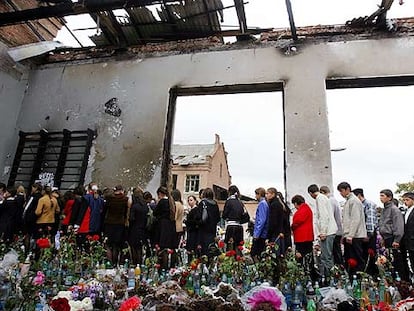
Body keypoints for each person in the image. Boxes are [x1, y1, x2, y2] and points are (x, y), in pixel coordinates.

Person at [308, 184, 337, 278]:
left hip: (327, 232)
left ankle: (330, 278)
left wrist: (323, 232)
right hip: (330, 230)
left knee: (326, 257)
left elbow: (324, 216)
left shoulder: (320, 199)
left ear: (311, 193)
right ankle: (331, 277)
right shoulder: (323, 198)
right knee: (327, 256)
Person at [337, 182, 367, 274]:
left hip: (355, 236)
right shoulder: (348, 201)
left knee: (357, 259)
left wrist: (350, 235)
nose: (341, 194)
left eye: (341, 191)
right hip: (350, 235)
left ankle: (360, 278)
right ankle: (353, 278)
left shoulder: (354, 201)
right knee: (350, 259)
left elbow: (355, 219)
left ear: (347, 189)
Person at [378, 189, 407, 279]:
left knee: (397, 262)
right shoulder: (384, 210)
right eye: (380, 195)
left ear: (389, 197)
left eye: (383, 196)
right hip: (386, 238)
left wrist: (397, 240)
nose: (380, 198)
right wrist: (382, 238)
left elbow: (398, 225)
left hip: (393, 238)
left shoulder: (394, 210)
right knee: (389, 262)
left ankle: (402, 282)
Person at [352, 188, 378, 276]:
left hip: (368, 234)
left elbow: (370, 220)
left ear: (359, 195)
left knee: (370, 256)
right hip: (363, 233)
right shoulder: (360, 205)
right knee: (364, 255)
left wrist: (368, 234)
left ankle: (372, 275)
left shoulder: (368, 204)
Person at [291, 194, 316, 280]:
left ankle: (305, 276)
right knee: (307, 257)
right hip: (306, 237)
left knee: (302, 257)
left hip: (302, 238)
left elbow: (298, 220)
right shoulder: (307, 208)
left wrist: (292, 226)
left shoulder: (303, 209)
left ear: (296, 203)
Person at [103, 185, 129, 266]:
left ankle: (109, 263)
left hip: (109, 223)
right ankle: (116, 263)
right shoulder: (125, 200)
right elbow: (126, 213)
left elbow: (104, 212)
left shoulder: (109, 199)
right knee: (116, 245)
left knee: (108, 244)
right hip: (120, 224)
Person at [153, 186, 177, 268]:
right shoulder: (171, 202)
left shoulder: (162, 202)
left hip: (162, 227)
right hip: (171, 226)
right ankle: (170, 266)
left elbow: (155, 213)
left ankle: (163, 266)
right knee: (169, 248)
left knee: (162, 248)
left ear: (160, 194)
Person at [320, 185, 343, 266]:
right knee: (337, 252)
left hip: (333, 231)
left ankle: (336, 272)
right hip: (338, 230)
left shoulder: (329, 201)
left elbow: (329, 217)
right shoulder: (335, 200)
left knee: (334, 253)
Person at [267, 187, 291, 256]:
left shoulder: (274, 205)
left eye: (267, 193)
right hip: (282, 233)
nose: (266, 195)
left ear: (273, 194)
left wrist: (269, 235)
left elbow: (273, 221)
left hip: (276, 233)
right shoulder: (281, 205)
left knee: (275, 254)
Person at [128, 187, 149, 266]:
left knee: (134, 248)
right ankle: (139, 265)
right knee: (140, 248)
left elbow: (131, 218)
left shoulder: (135, 206)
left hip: (134, 229)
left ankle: (134, 264)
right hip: (142, 230)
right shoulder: (145, 206)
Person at [197, 187, 220, 256]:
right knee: (211, 249)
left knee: (203, 251)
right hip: (212, 230)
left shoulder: (203, 203)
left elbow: (200, 217)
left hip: (203, 230)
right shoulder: (215, 204)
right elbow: (218, 218)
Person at [222, 185, 245, 250]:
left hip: (231, 226)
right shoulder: (240, 202)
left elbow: (224, 215)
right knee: (238, 248)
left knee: (230, 248)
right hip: (239, 227)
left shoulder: (229, 201)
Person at [251, 187, 269, 260]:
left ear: (259, 194)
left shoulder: (262, 204)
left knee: (255, 253)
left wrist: (256, 234)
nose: (255, 197)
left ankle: (258, 270)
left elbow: (262, 220)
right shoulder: (265, 203)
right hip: (262, 233)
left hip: (261, 234)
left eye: (256, 195)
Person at [402, 192, 414, 280]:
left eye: (407, 200)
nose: (405, 202)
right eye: (404, 200)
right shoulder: (406, 211)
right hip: (408, 242)